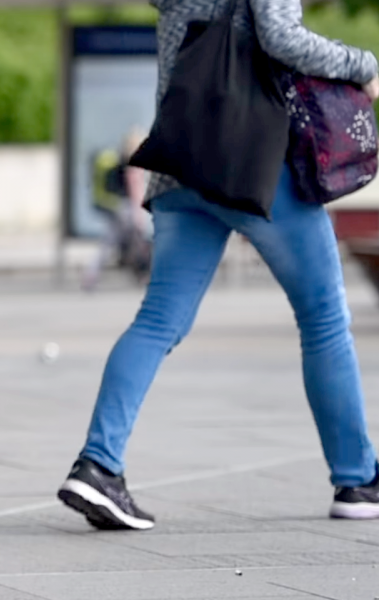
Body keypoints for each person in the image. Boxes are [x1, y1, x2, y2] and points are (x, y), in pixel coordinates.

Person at [58, 0, 379, 531]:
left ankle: (99, 465)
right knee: (323, 317)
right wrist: (361, 64)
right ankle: (357, 478)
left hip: (182, 164)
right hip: (255, 168)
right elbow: (281, 37)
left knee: (158, 320)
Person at [82, 129, 151, 291]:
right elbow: (135, 194)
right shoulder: (132, 166)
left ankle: (93, 275)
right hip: (124, 209)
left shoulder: (119, 160)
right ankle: (140, 274)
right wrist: (139, 217)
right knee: (128, 242)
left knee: (115, 243)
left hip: (114, 207)